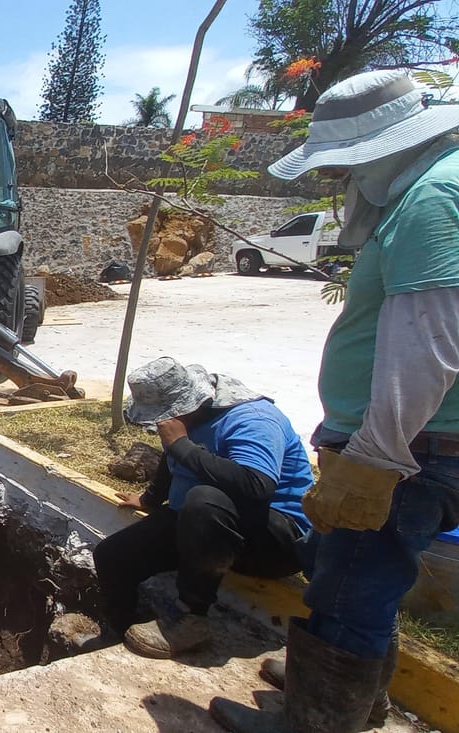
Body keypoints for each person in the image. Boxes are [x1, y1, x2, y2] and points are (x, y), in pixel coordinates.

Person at [210, 70, 459, 733]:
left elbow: (429, 344)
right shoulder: (432, 185)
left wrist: (374, 457)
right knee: (365, 580)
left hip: (407, 445)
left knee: (349, 590)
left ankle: (314, 721)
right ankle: (357, 699)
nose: (338, 177)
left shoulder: (432, 199)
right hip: (417, 439)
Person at [93, 357, 313, 660]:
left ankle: (190, 618)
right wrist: (149, 499)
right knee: (112, 555)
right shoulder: (190, 419)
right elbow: (175, 460)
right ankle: (118, 635)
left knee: (204, 498)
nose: (161, 425)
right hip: (207, 527)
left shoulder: (253, 419)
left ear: (190, 403)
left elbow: (257, 486)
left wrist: (182, 445)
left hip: (273, 540)